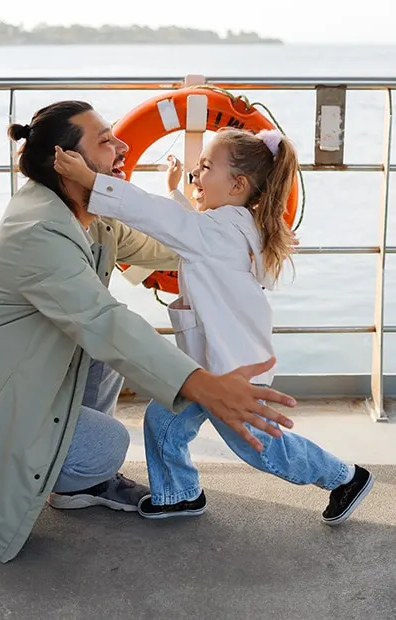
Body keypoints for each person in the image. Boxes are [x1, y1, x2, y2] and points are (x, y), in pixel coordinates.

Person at [0, 101, 296, 564]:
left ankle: (70, 484)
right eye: (105, 140)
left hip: (12, 378)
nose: (122, 145)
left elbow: (174, 244)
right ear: (68, 162)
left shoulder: (94, 220)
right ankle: (73, 475)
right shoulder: (38, 231)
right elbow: (107, 324)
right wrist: (206, 387)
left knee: (101, 358)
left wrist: (247, 240)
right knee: (108, 445)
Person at [53, 126, 374, 525]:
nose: (194, 174)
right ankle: (180, 495)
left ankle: (345, 477)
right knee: (163, 420)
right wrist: (175, 190)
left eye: (205, 167)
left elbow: (161, 219)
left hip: (232, 372)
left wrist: (91, 180)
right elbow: (189, 231)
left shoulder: (219, 231)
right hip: (211, 367)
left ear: (237, 183)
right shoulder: (236, 225)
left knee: (262, 449)